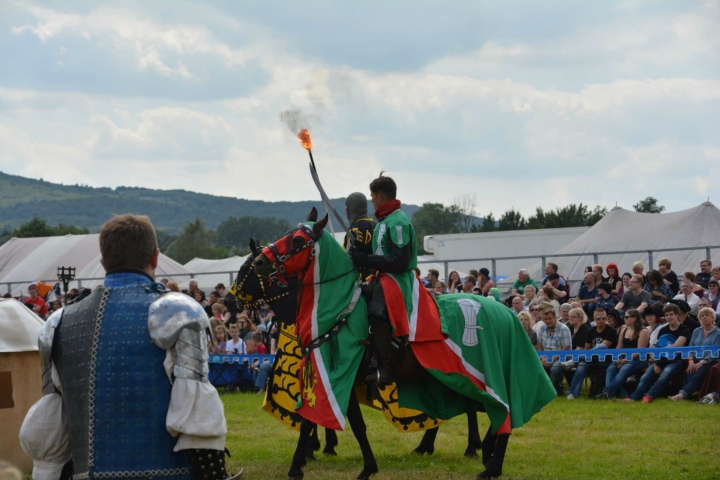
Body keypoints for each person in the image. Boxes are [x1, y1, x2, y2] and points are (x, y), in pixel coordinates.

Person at [19, 214, 237, 480]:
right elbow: (197, 415)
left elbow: (51, 426)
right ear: (155, 257)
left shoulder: (58, 323)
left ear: (103, 263)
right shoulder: (177, 312)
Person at [350, 172, 418, 385]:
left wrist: (367, 258)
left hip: (397, 279)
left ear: (380, 196)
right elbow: (379, 254)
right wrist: (360, 252)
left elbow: (400, 261)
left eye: (372, 195)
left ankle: (384, 367)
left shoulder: (397, 222)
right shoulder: (381, 222)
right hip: (381, 276)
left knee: (376, 312)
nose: (371, 200)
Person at [626, 303, 690, 402]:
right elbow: (657, 349)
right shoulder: (663, 330)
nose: (669, 317)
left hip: (677, 360)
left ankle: (649, 396)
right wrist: (655, 363)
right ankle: (633, 397)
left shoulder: (684, 329)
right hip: (661, 360)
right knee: (645, 377)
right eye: (667, 315)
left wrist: (659, 357)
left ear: (677, 314)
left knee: (665, 374)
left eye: (671, 314)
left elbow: (677, 346)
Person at [667, 307, 720, 401]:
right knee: (690, 372)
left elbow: (715, 352)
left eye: (707, 315)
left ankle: (680, 396)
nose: (704, 317)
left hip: (710, 360)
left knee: (697, 374)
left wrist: (701, 363)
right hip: (695, 359)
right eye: (702, 316)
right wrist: (691, 362)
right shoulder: (696, 331)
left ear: (712, 317)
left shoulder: (718, 333)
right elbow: (690, 348)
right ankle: (687, 395)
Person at [566, 307, 618, 400]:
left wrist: (585, 355)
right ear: (594, 319)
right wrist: (586, 355)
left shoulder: (611, 331)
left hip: (606, 360)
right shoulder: (591, 331)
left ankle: (575, 360)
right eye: (598, 318)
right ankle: (572, 393)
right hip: (591, 360)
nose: (601, 320)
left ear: (606, 319)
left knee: (600, 347)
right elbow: (586, 349)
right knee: (582, 365)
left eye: (603, 318)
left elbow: (604, 346)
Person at [598, 309, 649, 399]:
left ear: (634, 318)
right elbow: (619, 347)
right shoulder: (624, 329)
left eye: (626, 317)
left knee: (625, 369)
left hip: (639, 359)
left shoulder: (643, 331)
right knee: (611, 368)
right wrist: (618, 358)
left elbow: (640, 351)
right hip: (623, 358)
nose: (624, 319)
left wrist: (626, 359)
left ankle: (607, 392)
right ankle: (610, 394)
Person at [537, 303, 572, 396]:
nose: (548, 321)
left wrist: (552, 359)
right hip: (546, 355)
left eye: (550, 318)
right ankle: (541, 390)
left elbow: (566, 348)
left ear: (555, 317)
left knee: (555, 369)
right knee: (536, 366)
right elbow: (539, 346)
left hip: (562, 355)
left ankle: (552, 392)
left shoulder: (564, 329)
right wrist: (543, 358)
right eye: (546, 319)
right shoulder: (542, 328)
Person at [344, 191, 377, 280]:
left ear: (348, 210)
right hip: (378, 277)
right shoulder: (377, 226)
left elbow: (345, 260)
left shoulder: (353, 232)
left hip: (361, 281)